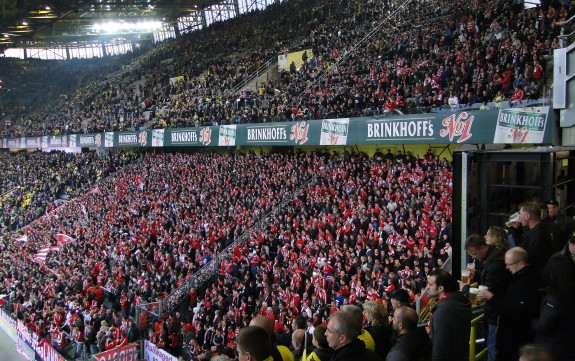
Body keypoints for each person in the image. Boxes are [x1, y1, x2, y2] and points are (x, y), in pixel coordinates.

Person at [489, 247, 539, 361]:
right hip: (511, 337)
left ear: (521, 263)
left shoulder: (526, 283)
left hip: (514, 339)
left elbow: (513, 310)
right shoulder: (518, 276)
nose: (507, 268)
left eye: (509, 265)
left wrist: (491, 298)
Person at [463, 234, 509, 361]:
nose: (473, 258)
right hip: (494, 313)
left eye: (474, 254)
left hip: (496, 314)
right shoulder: (492, 256)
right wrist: (477, 274)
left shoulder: (495, 265)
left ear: (483, 247)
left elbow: (487, 292)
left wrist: (465, 288)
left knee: (493, 348)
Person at [531, 254, 575, 361]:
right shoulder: (569, 291)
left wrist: (531, 322)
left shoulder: (555, 298)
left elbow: (544, 325)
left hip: (555, 347)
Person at [427, 270, 471, 361]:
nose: (427, 287)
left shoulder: (443, 312)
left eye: (430, 285)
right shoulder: (458, 298)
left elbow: (440, 346)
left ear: (440, 288)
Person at [518, 202, 553, 277]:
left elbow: (530, 260)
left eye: (520, 214)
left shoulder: (537, 236)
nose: (519, 218)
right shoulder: (541, 230)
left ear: (527, 216)